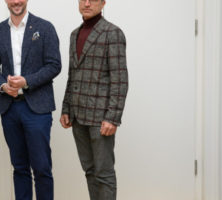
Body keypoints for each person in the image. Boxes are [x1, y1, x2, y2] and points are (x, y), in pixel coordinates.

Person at [0, 0, 61, 199]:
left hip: (37, 109)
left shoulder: (45, 27)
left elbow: (54, 65)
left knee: (42, 168)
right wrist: (3, 86)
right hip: (10, 109)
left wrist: (26, 81)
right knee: (19, 168)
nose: (16, 2)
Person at [60, 0, 128, 199]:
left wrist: (113, 118)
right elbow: (72, 75)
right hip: (78, 116)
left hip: (101, 118)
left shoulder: (112, 33)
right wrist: (66, 108)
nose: (87, 3)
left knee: (104, 173)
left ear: (103, 2)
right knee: (89, 171)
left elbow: (120, 79)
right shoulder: (74, 34)